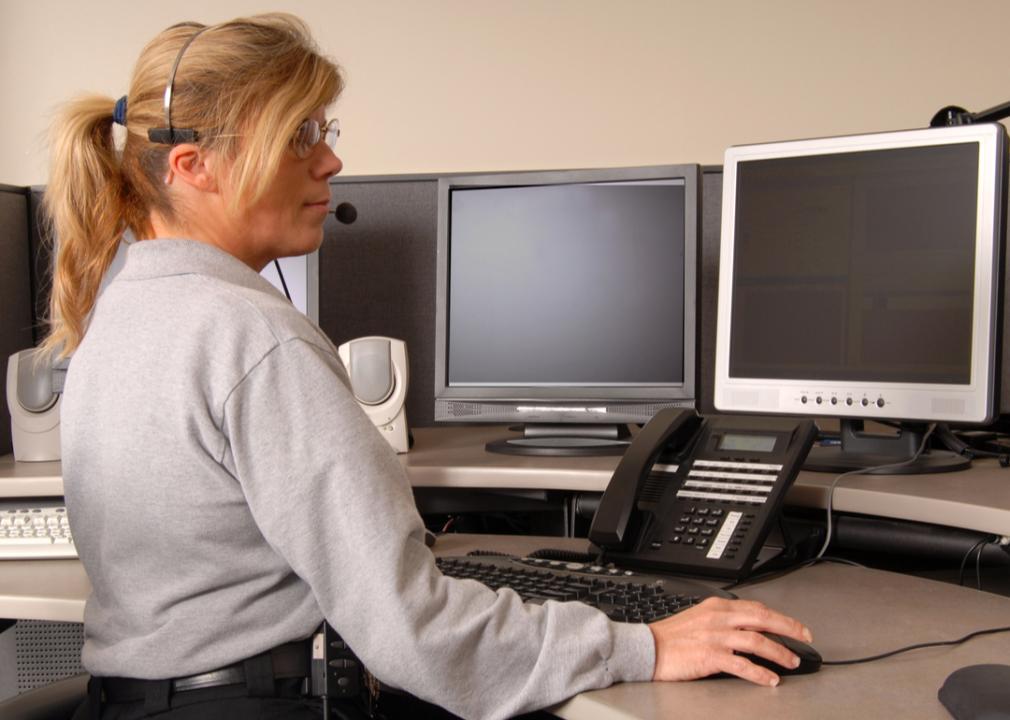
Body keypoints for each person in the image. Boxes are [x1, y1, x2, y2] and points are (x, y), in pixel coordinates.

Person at [44, 13, 813, 720]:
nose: (331, 158)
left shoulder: (110, 319)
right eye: (299, 135)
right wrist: (644, 644)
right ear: (193, 165)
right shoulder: (253, 338)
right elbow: (411, 628)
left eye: (324, 128)